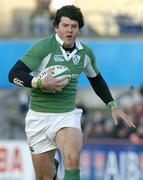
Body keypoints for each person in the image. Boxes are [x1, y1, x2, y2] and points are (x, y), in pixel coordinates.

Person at [8, 5, 135, 180]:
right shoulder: (43, 48)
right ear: (56, 27)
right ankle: (53, 172)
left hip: (66, 115)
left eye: (73, 26)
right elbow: (13, 74)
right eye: (65, 25)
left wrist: (112, 104)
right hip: (38, 118)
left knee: (72, 158)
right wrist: (39, 82)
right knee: (44, 177)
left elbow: (96, 79)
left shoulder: (85, 53)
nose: (69, 30)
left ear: (79, 29)